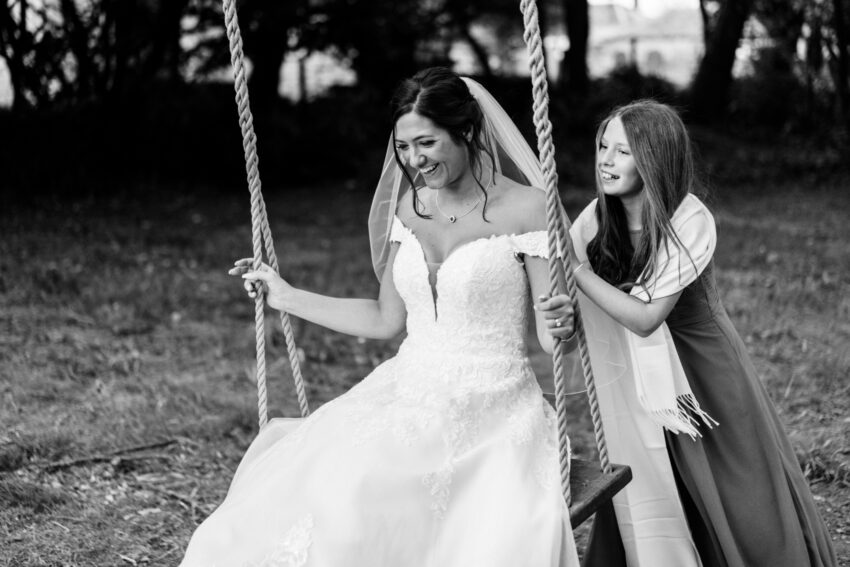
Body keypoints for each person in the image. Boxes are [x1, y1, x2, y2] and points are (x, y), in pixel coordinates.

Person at [179, 67, 582, 566]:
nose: (414, 160)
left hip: (492, 402)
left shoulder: (529, 210)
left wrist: (562, 321)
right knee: (325, 477)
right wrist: (285, 296)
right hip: (407, 385)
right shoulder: (410, 209)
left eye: (427, 143)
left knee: (374, 485)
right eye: (404, 147)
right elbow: (383, 318)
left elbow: (550, 336)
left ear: (469, 133)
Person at [567, 100, 837, 567]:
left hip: (701, 365)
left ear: (654, 159)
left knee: (731, 474)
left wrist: (578, 273)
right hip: (634, 370)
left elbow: (647, 316)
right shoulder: (594, 219)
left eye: (623, 151)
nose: (605, 160)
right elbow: (572, 312)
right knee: (654, 471)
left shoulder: (689, 218)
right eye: (602, 146)